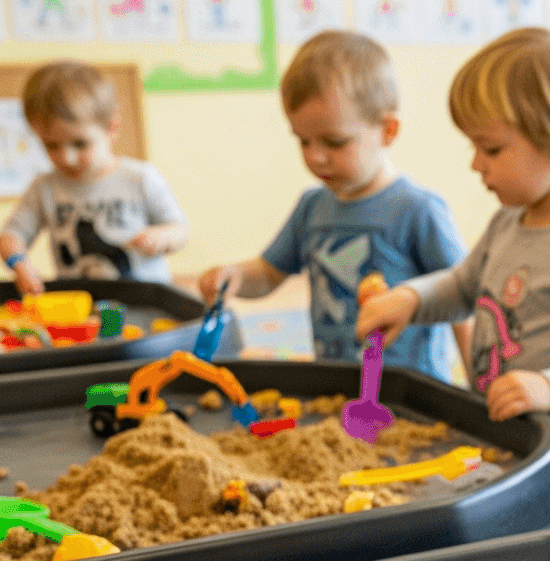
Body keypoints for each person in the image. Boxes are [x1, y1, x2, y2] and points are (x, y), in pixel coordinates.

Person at [357, 27, 550, 527]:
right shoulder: (508, 222)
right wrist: (411, 298)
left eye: (491, 149)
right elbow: (462, 286)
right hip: (505, 448)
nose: (476, 164)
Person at [199, 30, 465, 375]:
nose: (315, 157)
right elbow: (268, 273)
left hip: (411, 391)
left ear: (388, 130)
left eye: (334, 142)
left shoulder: (417, 209)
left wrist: (479, 381)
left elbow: (463, 298)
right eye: (303, 141)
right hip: (336, 382)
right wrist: (235, 276)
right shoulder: (312, 207)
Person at [0, 59, 189, 296]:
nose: (66, 157)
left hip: (145, 301)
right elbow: (10, 235)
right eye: (51, 145)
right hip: (81, 305)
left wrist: (163, 237)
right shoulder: (44, 188)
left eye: (80, 143)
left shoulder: (141, 178)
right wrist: (19, 263)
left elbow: (181, 231)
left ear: (111, 127)